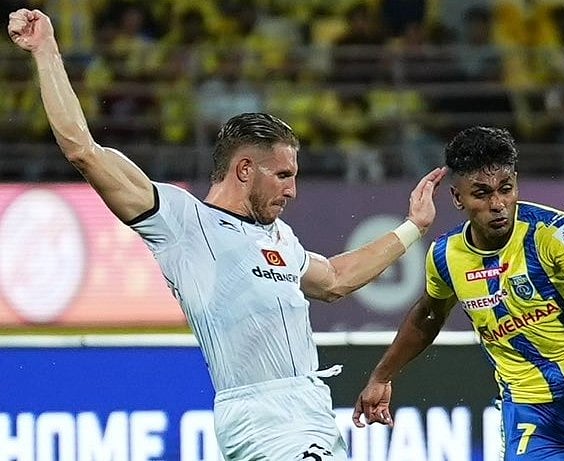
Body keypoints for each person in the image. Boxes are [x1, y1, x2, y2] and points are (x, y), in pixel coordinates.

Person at [7, 8, 447, 460]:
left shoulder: (280, 238)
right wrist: (46, 50)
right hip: (262, 419)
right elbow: (84, 150)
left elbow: (335, 279)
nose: (293, 190)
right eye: (283, 175)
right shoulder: (180, 222)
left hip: (312, 413)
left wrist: (413, 227)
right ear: (243, 169)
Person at [352, 126, 564, 461]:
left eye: (506, 188)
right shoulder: (446, 255)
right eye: (482, 193)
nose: (498, 203)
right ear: (457, 198)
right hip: (531, 410)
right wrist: (381, 376)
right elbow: (429, 315)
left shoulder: (549, 231)